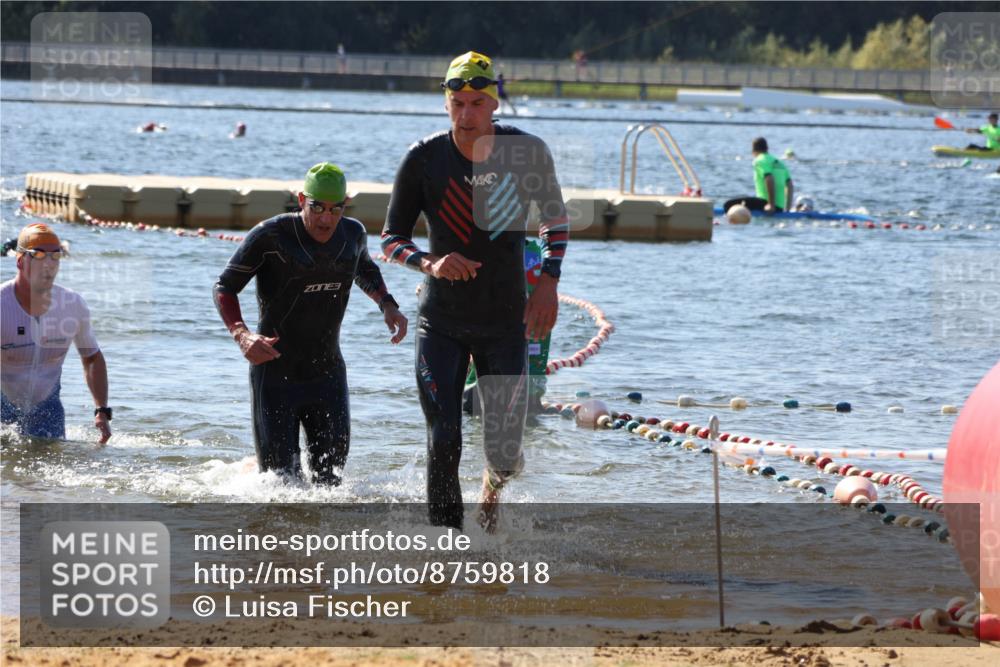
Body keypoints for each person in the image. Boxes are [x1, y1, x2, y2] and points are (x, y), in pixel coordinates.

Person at [381, 51, 568, 532]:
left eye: (476, 104)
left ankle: (490, 495)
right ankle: (445, 545)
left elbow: (554, 219)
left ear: (493, 104)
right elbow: (390, 238)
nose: (466, 115)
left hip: (504, 320)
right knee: (444, 437)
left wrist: (549, 280)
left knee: (505, 451)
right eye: (457, 103)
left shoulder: (526, 152)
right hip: (440, 320)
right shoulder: (422, 158)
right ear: (446, 104)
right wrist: (429, 262)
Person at [214, 163, 407, 485]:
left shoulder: (353, 233)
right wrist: (242, 335)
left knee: (331, 484)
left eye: (336, 209)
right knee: (280, 486)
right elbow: (224, 287)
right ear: (302, 199)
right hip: (275, 375)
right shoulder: (271, 235)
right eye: (317, 207)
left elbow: (364, 268)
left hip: (327, 374)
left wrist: (387, 304)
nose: (326, 218)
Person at [1, 223, 112, 443]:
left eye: (56, 256)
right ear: (21, 260)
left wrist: (102, 410)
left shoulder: (72, 304)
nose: (49, 264)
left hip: (47, 412)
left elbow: (92, 358)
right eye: (39, 255)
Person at [723, 137, 794, 214]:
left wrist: (771, 205)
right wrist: (787, 210)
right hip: (780, 208)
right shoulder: (780, 163)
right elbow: (790, 185)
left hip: (765, 204)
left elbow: (769, 178)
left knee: (728, 205)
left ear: (753, 150)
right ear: (767, 148)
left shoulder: (759, 160)